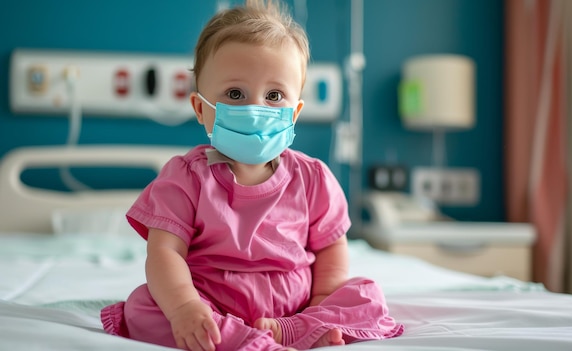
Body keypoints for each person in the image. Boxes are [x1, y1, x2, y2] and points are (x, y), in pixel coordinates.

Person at [100, 0, 403, 350]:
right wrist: (185, 307)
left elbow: (332, 248)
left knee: (367, 295)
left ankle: (292, 331)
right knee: (144, 306)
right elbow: (164, 252)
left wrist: (320, 304)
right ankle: (247, 340)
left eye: (274, 95)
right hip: (210, 307)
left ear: (295, 112)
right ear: (201, 108)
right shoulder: (184, 178)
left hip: (295, 308)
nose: (255, 109)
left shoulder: (314, 179)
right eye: (235, 94)